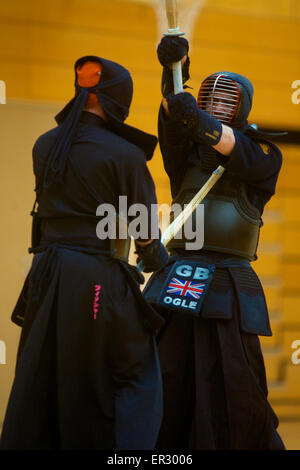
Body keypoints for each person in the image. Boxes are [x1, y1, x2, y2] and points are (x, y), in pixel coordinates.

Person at [0, 56, 168, 450]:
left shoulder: (45, 145)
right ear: (117, 99)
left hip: (46, 273)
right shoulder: (125, 154)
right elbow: (144, 231)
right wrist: (156, 259)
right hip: (95, 277)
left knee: (47, 371)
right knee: (130, 371)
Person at [143, 36, 285, 450]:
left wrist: (197, 120)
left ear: (243, 106)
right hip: (180, 274)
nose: (219, 103)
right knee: (169, 374)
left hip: (229, 283)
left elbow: (230, 145)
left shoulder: (262, 155)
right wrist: (177, 70)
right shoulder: (184, 158)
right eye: (211, 97)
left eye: (228, 99)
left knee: (235, 381)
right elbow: (173, 118)